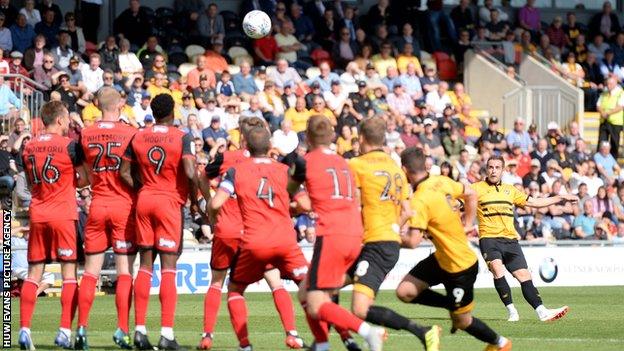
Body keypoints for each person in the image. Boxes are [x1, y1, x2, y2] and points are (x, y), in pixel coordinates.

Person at [197, 116, 307, 350]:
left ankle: (208, 335)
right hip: (259, 231)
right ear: (267, 143)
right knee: (276, 282)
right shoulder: (278, 167)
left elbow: (202, 177)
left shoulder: (227, 160)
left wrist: (209, 207)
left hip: (228, 229)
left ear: (243, 139)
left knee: (218, 283)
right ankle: (293, 332)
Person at [286, 115, 395, 351]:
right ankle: (323, 345)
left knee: (314, 302)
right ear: (332, 136)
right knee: (308, 292)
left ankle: (368, 331)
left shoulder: (304, 161)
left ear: (307, 135)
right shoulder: (344, 162)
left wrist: (293, 205)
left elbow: (290, 193)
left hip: (332, 234)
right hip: (355, 234)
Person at [397, 146, 511, 351]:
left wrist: (389, 236)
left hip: (461, 266)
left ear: (405, 170)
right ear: (425, 164)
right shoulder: (442, 180)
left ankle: (500, 343)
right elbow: (471, 193)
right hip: (442, 259)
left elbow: (413, 242)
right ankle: (452, 304)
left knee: (462, 321)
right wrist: (467, 222)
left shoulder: (420, 199)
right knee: (405, 291)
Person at [120, 94, 198, 350]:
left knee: (144, 267)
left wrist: (142, 189)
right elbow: (189, 171)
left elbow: (123, 172)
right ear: (172, 112)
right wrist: (196, 199)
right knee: (168, 269)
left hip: (145, 201)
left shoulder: (139, 135)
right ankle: (166, 334)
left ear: (153, 113)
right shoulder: (181, 136)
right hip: (168, 203)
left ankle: (140, 331)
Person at [344, 117, 431, 347]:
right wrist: (393, 226)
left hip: (376, 245)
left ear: (361, 138)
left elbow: (352, 204)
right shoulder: (396, 169)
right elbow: (408, 210)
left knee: (360, 308)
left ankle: (422, 331)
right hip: (385, 242)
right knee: (327, 287)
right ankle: (347, 341)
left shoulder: (356, 165)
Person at [18, 101, 89, 350]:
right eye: (67, 118)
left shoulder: (28, 147)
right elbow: (85, 179)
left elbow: (29, 181)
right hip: (64, 214)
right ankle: (63, 331)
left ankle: (24, 329)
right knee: (70, 276)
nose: (69, 123)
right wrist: (72, 182)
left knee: (33, 275)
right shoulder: (69, 145)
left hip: (38, 213)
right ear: (59, 120)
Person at [73, 88, 138, 350]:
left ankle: (81, 329)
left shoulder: (85, 133)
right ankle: (122, 329)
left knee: (90, 273)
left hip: (98, 205)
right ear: (121, 104)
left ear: (97, 104)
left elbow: (84, 178)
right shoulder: (130, 132)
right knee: (125, 273)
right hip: (123, 206)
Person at [473, 156, 575, 322]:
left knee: (524, 276)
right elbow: (457, 204)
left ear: (503, 170)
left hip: (510, 240)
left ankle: (542, 312)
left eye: (497, 167)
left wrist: (560, 198)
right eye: (490, 167)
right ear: (486, 168)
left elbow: (534, 202)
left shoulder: (510, 190)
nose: (493, 170)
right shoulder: (476, 188)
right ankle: (512, 311)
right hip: (489, 238)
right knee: (497, 270)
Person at [596, 76, 624, 159]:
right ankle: (599, 159)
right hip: (604, 121)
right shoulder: (604, 92)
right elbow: (598, 105)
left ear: (615, 84)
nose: (608, 85)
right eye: (607, 83)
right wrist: (602, 112)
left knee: (614, 143)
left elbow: (620, 106)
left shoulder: (621, 93)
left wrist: (607, 113)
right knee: (601, 141)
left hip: (615, 122)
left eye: (610, 84)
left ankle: (613, 160)